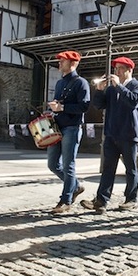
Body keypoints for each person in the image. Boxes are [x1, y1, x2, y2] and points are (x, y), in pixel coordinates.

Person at [81, 56, 138, 214]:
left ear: (129, 70)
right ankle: (101, 200)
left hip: (129, 134)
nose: (117, 71)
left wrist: (119, 87)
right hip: (111, 134)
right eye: (115, 69)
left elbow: (133, 102)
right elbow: (99, 105)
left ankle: (131, 199)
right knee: (108, 169)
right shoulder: (111, 89)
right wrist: (100, 90)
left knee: (131, 168)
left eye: (120, 68)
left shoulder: (137, 86)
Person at [47, 51, 91, 213]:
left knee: (68, 165)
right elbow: (59, 104)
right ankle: (76, 186)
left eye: (62, 61)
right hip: (57, 127)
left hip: (72, 127)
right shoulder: (59, 83)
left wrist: (63, 107)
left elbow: (84, 106)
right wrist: (52, 110)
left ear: (73, 63)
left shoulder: (81, 83)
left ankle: (65, 201)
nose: (59, 63)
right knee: (52, 164)